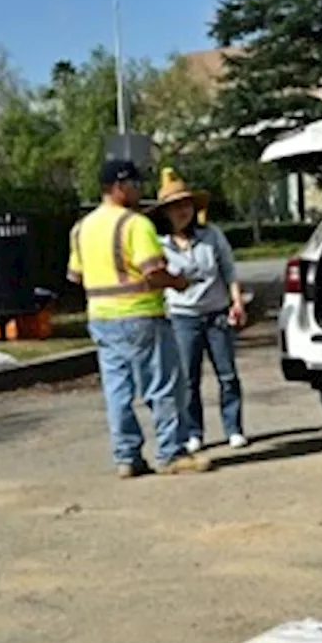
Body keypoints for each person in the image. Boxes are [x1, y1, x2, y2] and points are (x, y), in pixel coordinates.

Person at [67, 160, 211, 478]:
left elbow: (75, 275)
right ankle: (170, 454)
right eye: (135, 184)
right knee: (163, 387)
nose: (140, 190)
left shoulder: (81, 228)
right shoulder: (135, 225)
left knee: (117, 391)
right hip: (141, 315)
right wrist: (179, 282)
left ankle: (126, 457)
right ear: (120, 186)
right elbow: (153, 273)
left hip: (101, 318)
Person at [152, 168, 249, 452]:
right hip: (183, 317)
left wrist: (237, 302)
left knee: (227, 374)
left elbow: (229, 271)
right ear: (165, 214)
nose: (183, 212)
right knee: (188, 379)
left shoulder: (212, 236)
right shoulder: (160, 245)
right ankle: (194, 432)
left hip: (217, 313)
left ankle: (234, 428)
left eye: (186, 205)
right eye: (175, 207)